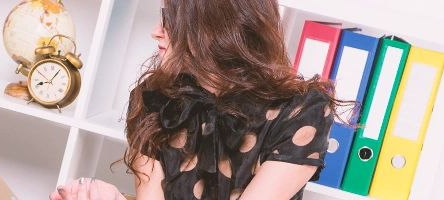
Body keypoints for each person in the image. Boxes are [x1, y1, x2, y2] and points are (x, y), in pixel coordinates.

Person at [52, 0, 345, 199]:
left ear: (214, 26)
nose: (156, 31)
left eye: (169, 20)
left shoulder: (302, 112)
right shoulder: (154, 99)